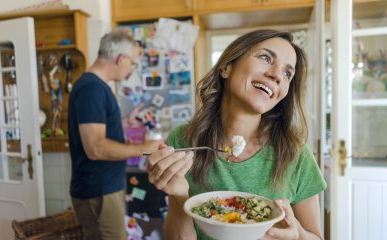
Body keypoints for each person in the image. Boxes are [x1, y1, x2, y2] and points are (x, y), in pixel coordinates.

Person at [147, 29, 326, 240]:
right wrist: (178, 197)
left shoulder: (295, 153)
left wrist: (298, 235)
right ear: (226, 67)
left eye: (288, 73)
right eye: (265, 58)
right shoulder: (184, 141)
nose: (277, 75)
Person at [68, 30, 163, 240]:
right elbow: (96, 148)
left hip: (103, 188)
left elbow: (98, 131)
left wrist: (122, 126)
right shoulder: (92, 89)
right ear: (121, 59)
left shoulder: (96, 87)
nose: (132, 69)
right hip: (99, 191)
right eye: (133, 63)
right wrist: (146, 147)